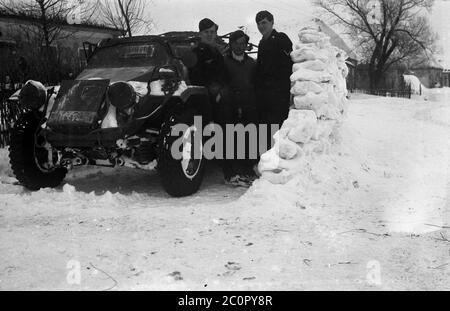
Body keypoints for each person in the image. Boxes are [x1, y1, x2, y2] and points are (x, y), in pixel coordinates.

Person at [223, 30, 258, 185]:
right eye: (236, 43)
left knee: (248, 138)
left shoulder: (251, 63)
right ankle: (231, 173)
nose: (239, 46)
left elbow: (256, 83)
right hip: (229, 106)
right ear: (231, 44)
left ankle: (248, 170)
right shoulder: (224, 62)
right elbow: (220, 82)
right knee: (231, 139)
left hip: (249, 105)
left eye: (242, 43)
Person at [255, 10, 293, 153]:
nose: (261, 26)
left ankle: (278, 160)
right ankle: (266, 161)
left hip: (278, 92)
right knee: (265, 128)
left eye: (264, 22)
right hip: (264, 94)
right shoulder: (261, 43)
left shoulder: (281, 38)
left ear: (272, 22)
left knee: (277, 129)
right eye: (258, 24)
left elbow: (289, 64)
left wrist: (282, 88)